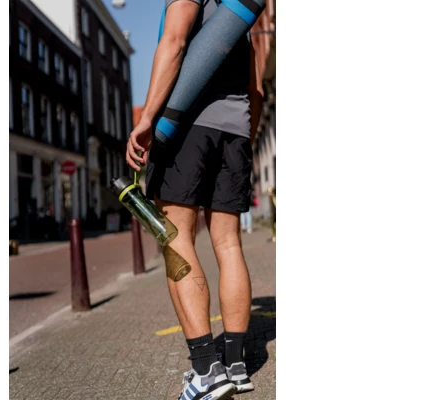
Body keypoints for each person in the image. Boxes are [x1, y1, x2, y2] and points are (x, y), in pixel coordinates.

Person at [125, 1, 263, 398]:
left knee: (175, 237)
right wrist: (243, 140)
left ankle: (205, 371)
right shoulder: (237, 11)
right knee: (229, 243)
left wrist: (146, 119)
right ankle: (236, 365)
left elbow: (174, 42)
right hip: (235, 131)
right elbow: (256, 89)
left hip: (184, 128)